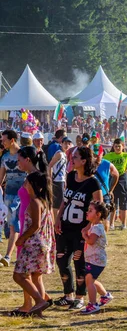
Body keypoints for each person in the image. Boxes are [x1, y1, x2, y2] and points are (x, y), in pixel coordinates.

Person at [54, 147, 103, 310]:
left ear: (84, 161)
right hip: (65, 226)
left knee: (79, 261)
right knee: (61, 259)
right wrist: (58, 217)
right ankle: (68, 295)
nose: (71, 159)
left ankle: (80, 298)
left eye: (75, 157)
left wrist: (88, 227)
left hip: (81, 229)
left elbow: (99, 209)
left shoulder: (93, 182)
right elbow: (65, 200)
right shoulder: (70, 176)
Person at [12, 171, 55, 317]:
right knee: (36, 276)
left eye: (27, 183)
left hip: (33, 244)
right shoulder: (45, 202)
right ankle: (39, 311)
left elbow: (35, 225)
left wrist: (22, 238)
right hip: (42, 244)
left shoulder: (35, 202)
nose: (25, 185)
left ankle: (39, 300)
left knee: (18, 276)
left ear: (34, 186)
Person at [0, 130, 27, 267]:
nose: (2, 142)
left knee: (14, 224)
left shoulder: (23, 154)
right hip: (8, 194)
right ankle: (12, 255)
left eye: (4, 139)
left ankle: (8, 255)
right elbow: (1, 178)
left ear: (12, 140)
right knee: (12, 224)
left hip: (22, 194)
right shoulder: (4, 157)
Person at [80, 201, 113, 314]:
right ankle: (105, 295)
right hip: (92, 259)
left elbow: (91, 241)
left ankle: (93, 304)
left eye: (90, 210)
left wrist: (84, 235)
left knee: (89, 281)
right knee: (91, 281)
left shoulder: (97, 228)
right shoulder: (94, 226)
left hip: (96, 260)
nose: (87, 212)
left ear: (98, 214)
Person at [103, 138, 127, 230]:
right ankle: (111, 224)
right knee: (113, 201)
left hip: (123, 178)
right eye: (115, 146)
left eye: (119, 146)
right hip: (112, 178)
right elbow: (101, 162)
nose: (117, 148)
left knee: (123, 202)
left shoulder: (126, 155)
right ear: (113, 146)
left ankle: (124, 224)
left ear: (123, 147)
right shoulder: (108, 156)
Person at [48, 137, 72, 219]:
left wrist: (65, 180)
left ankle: (57, 220)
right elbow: (50, 165)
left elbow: (63, 169)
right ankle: (55, 221)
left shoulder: (64, 154)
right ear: (61, 143)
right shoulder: (59, 154)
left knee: (60, 202)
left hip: (61, 180)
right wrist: (50, 179)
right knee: (58, 203)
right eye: (65, 143)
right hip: (57, 180)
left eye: (69, 144)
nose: (67, 145)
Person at [92, 144, 119, 211]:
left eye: (98, 155)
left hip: (104, 195)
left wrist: (111, 190)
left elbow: (116, 175)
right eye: (94, 155)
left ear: (102, 154)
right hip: (91, 196)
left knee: (105, 218)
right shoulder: (88, 164)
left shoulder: (107, 164)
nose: (96, 157)